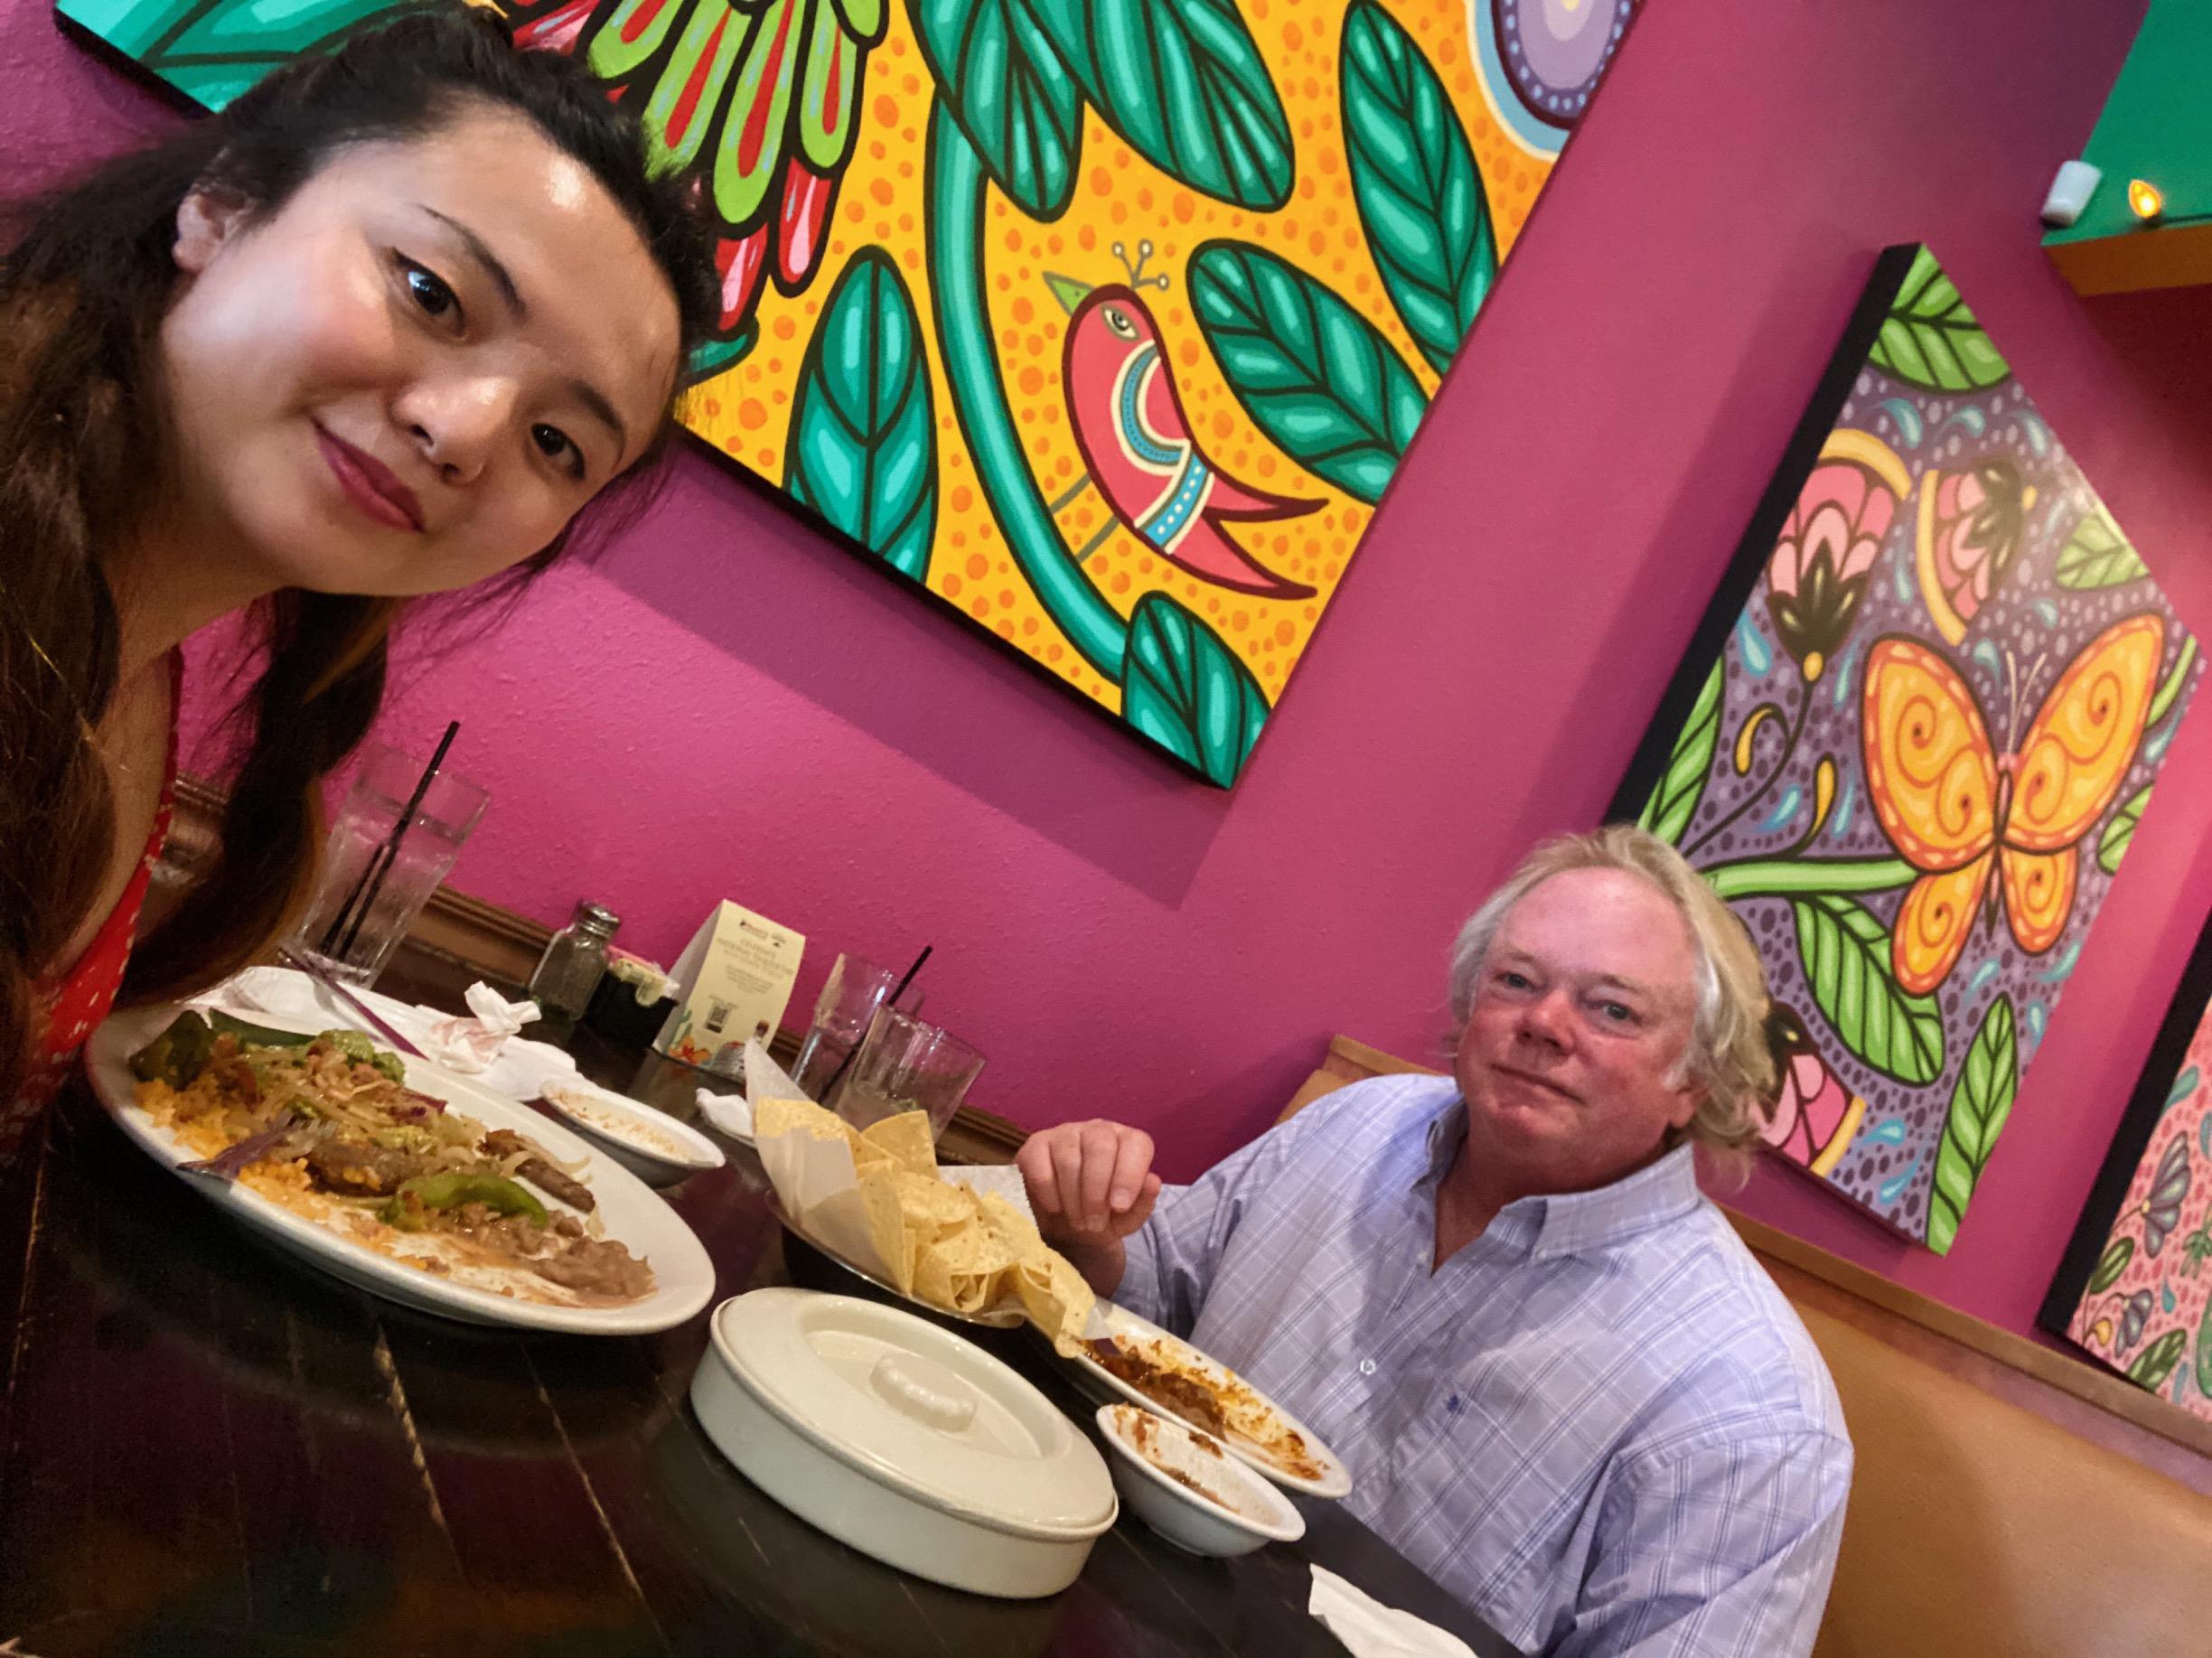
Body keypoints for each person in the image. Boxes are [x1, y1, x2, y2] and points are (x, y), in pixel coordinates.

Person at [0, 10, 718, 1143]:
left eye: (558, 444)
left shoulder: (143, 685)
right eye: (431, 294)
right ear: (225, 203)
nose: (466, 430)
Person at [1017, 826, 1853, 1657]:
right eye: (1517, 980)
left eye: (1613, 1009)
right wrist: (1088, 1233)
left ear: (1695, 1080)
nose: (1545, 1023)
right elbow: (1158, 1296)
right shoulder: (1354, 1123)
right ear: (1469, 1006)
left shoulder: (1753, 1412)